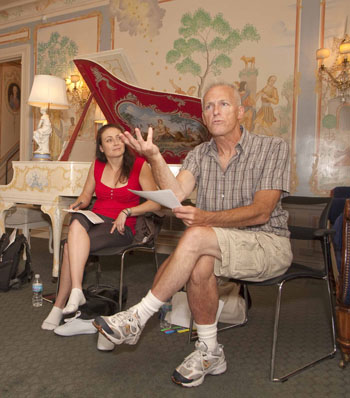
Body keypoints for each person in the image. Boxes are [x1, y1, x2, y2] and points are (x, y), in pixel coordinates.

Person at [93, 83, 293, 387]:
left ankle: (137, 316)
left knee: (198, 235)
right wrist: (155, 157)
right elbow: (175, 194)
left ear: (241, 112)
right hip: (217, 244)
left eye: (224, 104)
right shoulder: (200, 154)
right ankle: (210, 351)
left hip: (267, 243)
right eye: (209, 106)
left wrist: (205, 218)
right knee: (200, 260)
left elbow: (262, 211)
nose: (215, 111)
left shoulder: (272, 147)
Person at [41, 123, 161, 332]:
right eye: (109, 140)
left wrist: (128, 211)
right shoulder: (97, 165)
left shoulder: (140, 165)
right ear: (101, 148)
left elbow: (156, 203)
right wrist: (77, 204)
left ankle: (60, 305)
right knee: (77, 218)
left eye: (118, 138)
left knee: (70, 246)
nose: (116, 143)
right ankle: (76, 290)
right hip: (96, 217)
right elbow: (86, 196)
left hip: (122, 227)